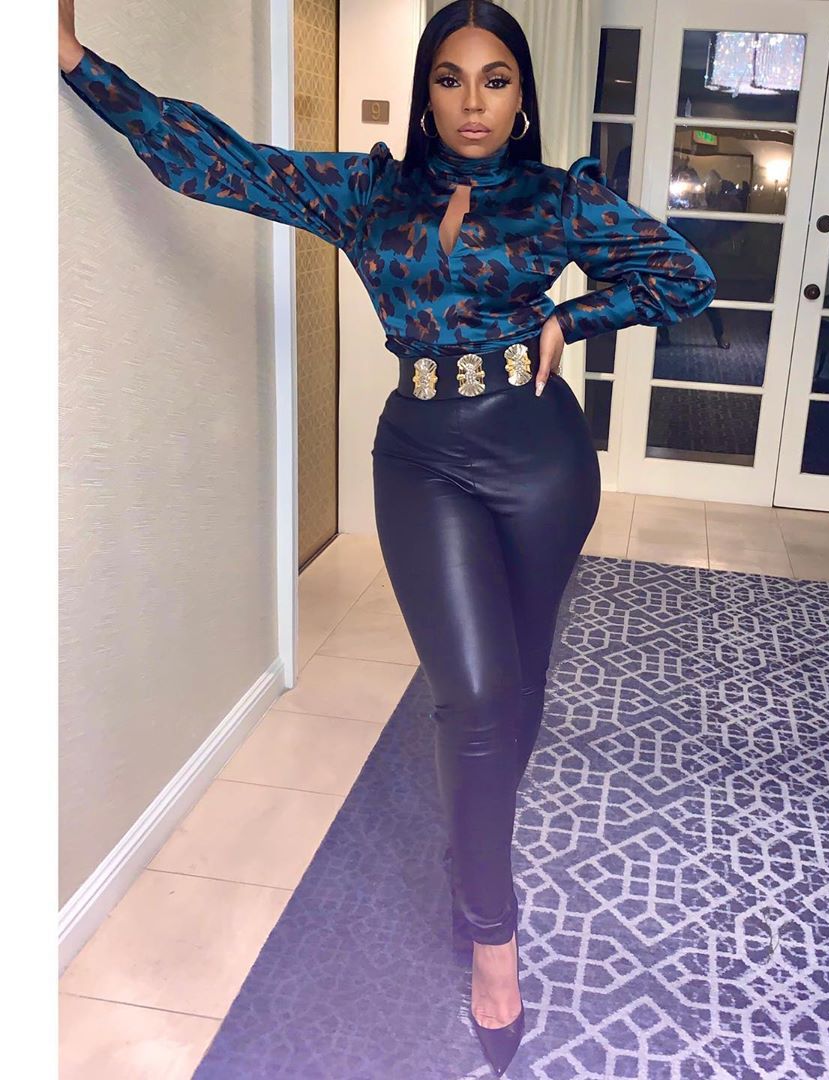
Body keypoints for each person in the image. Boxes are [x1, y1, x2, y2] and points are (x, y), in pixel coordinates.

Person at [58, 0, 716, 1074]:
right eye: (450, 79)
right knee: (476, 694)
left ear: (522, 96)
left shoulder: (558, 200)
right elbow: (215, 162)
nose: (472, 102)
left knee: (522, 688)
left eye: (495, 80)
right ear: (424, 93)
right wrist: (78, 62)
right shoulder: (369, 194)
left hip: (543, 463)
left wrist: (571, 317)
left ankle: (472, 856)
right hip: (422, 461)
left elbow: (684, 275)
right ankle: (493, 936)